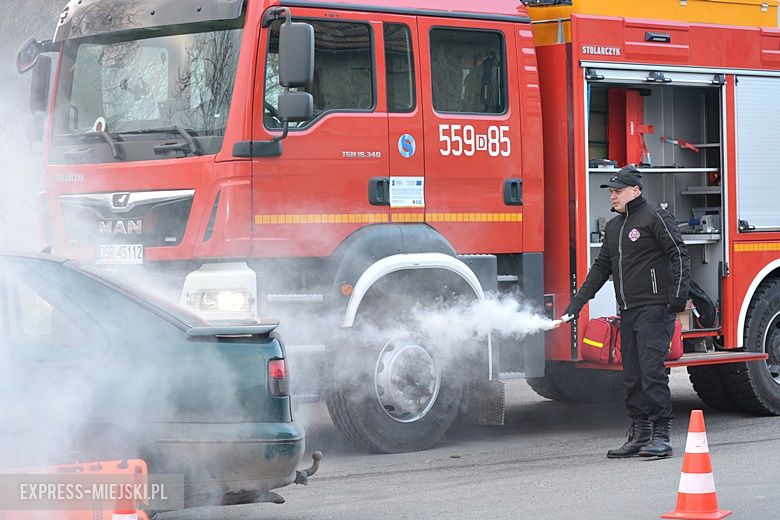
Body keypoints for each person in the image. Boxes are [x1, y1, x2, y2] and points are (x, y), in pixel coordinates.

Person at [561, 166, 690, 458]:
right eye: (611, 191)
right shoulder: (614, 227)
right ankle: (640, 432)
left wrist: (677, 298)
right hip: (629, 311)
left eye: (618, 191)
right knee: (631, 375)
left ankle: (661, 435)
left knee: (651, 372)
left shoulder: (655, 216)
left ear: (636, 190)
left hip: (655, 309)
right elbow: (600, 268)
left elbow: (679, 254)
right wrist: (576, 305)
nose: (613, 196)